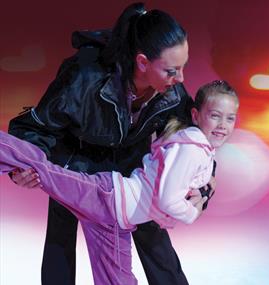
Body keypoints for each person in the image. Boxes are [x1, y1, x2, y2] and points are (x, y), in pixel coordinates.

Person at [7, 3, 200, 285]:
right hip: (76, 160)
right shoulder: (84, 76)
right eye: (172, 70)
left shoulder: (172, 90)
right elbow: (35, 126)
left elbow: (191, 135)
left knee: (152, 233)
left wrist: (205, 182)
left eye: (183, 67)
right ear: (143, 62)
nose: (181, 78)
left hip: (131, 164)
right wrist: (19, 169)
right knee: (61, 236)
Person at [1, 80, 239, 285]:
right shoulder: (88, 71)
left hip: (118, 215)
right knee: (46, 173)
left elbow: (195, 154)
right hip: (106, 193)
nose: (223, 124)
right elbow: (170, 196)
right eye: (216, 116)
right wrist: (190, 212)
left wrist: (206, 186)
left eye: (230, 118)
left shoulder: (177, 100)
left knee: (119, 277)